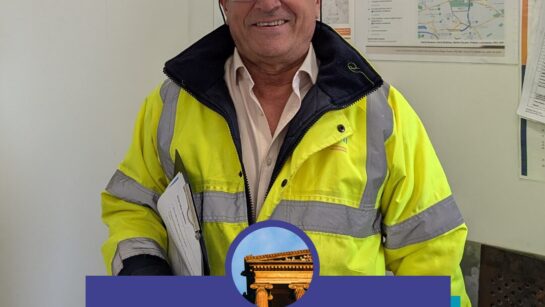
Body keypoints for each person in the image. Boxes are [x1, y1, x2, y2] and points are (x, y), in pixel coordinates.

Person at [102, 0, 470, 304]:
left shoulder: (381, 113)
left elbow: (432, 253)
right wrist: (142, 273)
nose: (267, 3)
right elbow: (134, 205)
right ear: (224, 3)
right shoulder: (173, 103)